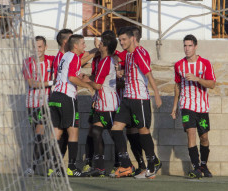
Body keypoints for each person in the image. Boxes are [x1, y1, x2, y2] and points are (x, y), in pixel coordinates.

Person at [109, 27, 162, 179]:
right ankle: (126, 165)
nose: (121, 42)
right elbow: (133, 72)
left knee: (143, 131)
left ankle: (152, 166)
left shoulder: (139, 53)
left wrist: (157, 95)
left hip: (139, 99)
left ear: (133, 38)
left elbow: (148, 74)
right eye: (120, 40)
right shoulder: (129, 55)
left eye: (124, 39)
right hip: (127, 98)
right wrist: (122, 73)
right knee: (116, 129)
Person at [171, 34, 216, 179]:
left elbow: (212, 84)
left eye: (190, 46)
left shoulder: (205, 63)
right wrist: (175, 106)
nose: (187, 49)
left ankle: (203, 164)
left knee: (204, 137)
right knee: (191, 133)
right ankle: (196, 167)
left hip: (202, 107)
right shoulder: (179, 65)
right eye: (185, 45)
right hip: (186, 105)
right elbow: (177, 85)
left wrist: (197, 79)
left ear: (195, 46)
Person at [48, 34, 93, 177]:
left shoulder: (65, 55)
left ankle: (52, 168)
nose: (84, 46)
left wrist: (94, 53)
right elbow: (72, 77)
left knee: (57, 132)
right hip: (67, 97)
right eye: (83, 43)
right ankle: (72, 168)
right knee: (73, 132)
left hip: (54, 96)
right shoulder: (73, 56)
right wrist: (88, 86)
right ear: (76, 46)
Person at [84, 31, 119, 177]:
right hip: (100, 103)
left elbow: (98, 85)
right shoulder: (102, 60)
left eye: (101, 42)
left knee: (115, 134)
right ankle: (99, 167)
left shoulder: (107, 61)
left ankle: (123, 164)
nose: (98, 43)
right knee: (96, 132)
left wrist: (86, 81)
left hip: (109, 104)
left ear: (105, 46)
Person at [22, 36, 55, 176]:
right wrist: (51, 82)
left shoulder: (51, 60)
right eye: (35, 47)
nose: (37, 50)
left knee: (39, 134)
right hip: (31, 103)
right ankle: (47, 163)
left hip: (45, 103)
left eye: (40, 47)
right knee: (37, 137)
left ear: (45, 47)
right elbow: (31, 83)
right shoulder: (27, 62)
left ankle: (33, 168)